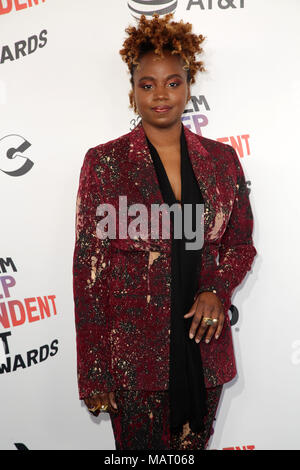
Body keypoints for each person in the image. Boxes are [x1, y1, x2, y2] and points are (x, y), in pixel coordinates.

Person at [72, 13, 257, 450]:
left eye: (173, 83)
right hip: (135, 361)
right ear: (132, 90)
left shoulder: (221, 160)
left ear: (189, 87)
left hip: (203, 353)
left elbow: (240, 243)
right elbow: (89, 272)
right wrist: (94, 372)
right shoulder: (105, 163)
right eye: (147, 84)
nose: (160, 95)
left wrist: (216, 287)